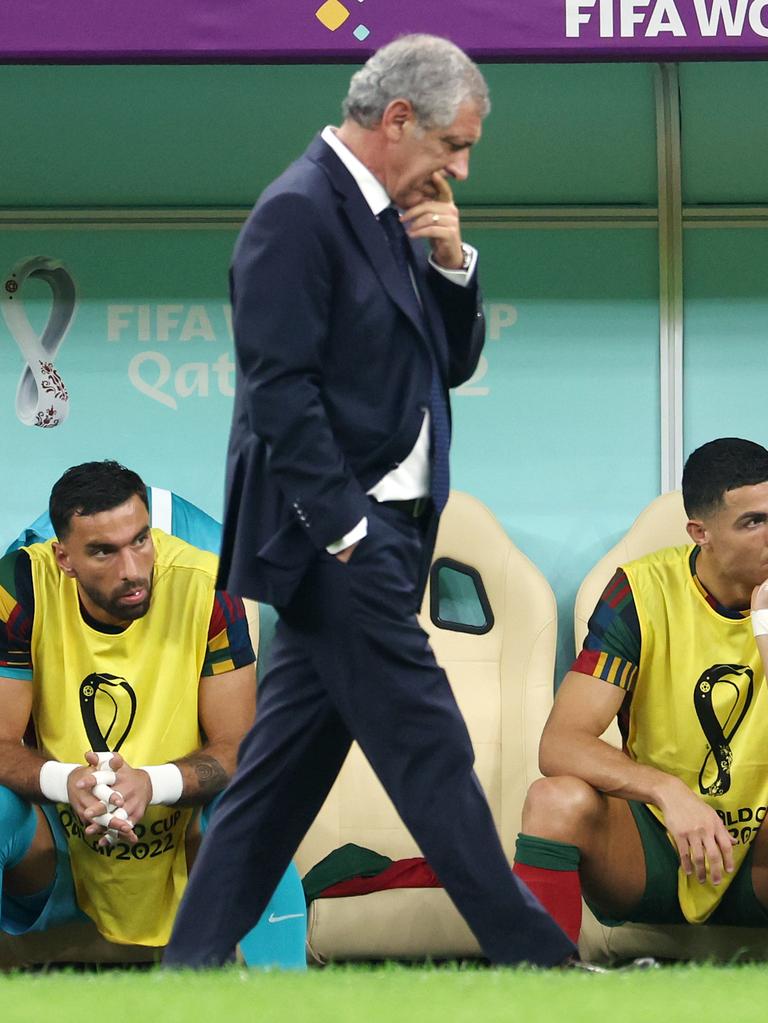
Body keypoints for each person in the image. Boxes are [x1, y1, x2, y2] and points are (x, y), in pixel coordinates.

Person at [164, 34, 574, 968]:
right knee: (432, 753)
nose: (461, 166)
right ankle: (538, 959)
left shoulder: (390, 212)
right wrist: (349, 533)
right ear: (397, 119)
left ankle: (184, 972)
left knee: (275, 784)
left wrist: (453, 262)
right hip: (340, 538)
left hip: (377, 536)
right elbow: (280, 395)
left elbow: (449, 364)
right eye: (453, 144)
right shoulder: (297, 214)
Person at [0, 460, 305, 963]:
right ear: (64, 558)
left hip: (177, 843)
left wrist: (152, 783)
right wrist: (66, 782)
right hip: (54, 847)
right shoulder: (20, 586)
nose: (133, 570)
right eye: (103, 551)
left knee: (251, 812)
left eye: (141, 540)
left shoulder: (208, 588)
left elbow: (238, 747)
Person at [512, 437, 768, 943]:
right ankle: (536, 987)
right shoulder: (640, 592)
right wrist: (668, 792)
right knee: (554, 799)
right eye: (753, 522)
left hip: (761, 860)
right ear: (701, 533)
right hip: (655, 849)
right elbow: (560, 744)